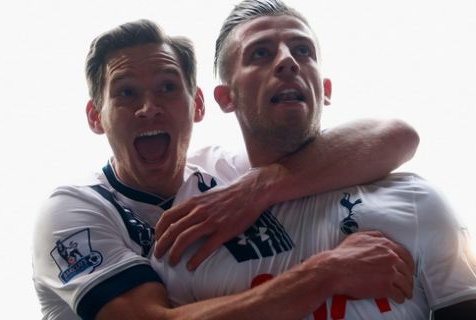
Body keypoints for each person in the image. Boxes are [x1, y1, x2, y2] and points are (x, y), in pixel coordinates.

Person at [31, 19, 418, 320]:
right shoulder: (73, 211)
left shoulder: (228, 170)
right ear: (96, 116)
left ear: (198, 104)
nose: (148, 107)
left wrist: (262, 186)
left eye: (167, 87)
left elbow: (395, 137)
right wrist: (326, 274)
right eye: (126, 92)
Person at [152, 1, 476, 319]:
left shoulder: (416, 201)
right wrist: (323, 275)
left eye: (303, 50)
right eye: (260, 53)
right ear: (226, 98)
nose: (287, 61)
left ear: (326, 89)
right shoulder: (196, 231)